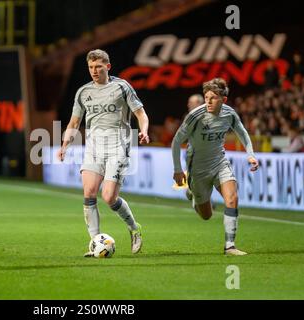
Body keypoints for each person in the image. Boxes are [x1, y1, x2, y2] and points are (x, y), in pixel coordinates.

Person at [58, 49, 150, 257]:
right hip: (93, 148)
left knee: (108, 197)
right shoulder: (83, 92)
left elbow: (140, 113)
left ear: (107, 67)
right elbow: (74, 122)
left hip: (118, 146)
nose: (94, 71)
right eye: (91, 67)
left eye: (98, 67)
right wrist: (64, 144)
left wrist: (143, 130)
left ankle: (135, 228)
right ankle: (94, 243)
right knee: (89, 193)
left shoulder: (122, 87)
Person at [171, 78, 259, 256]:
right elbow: (176, 141)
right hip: (198, 169)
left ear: (223, 100)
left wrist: (251, 155)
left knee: (232, 198)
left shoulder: (229, 114)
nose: (208, 101)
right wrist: (178, 169)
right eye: (206, 97)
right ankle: (194, 196)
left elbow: (242, 132)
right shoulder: (196, 116)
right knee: (207, 215)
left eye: (213, 98)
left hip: (219, 162)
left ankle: (230, 246)